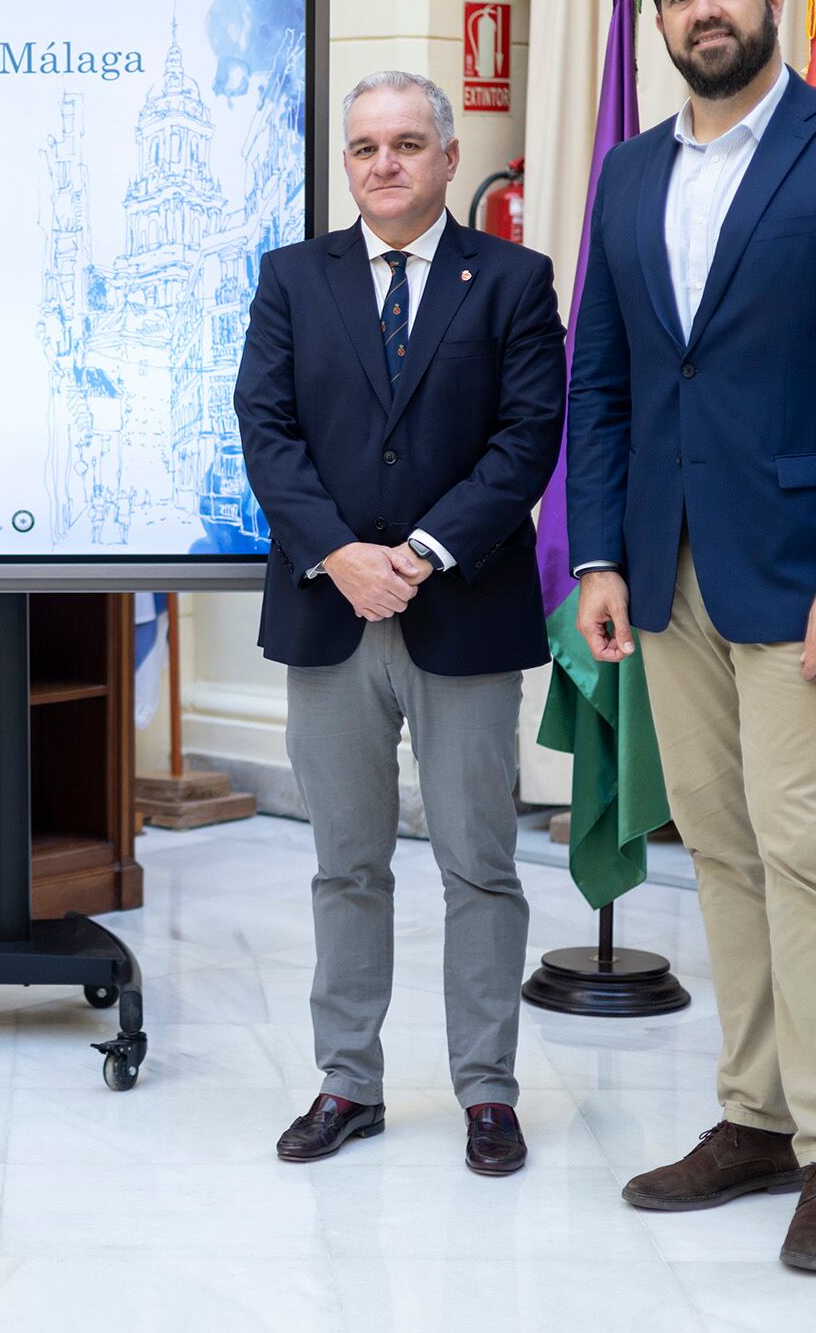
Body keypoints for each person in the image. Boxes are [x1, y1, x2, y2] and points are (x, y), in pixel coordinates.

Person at [564, 0, 816, 1272]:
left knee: (807, 852)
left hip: (803, 576)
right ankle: (756, 1114)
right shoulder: (622, 174)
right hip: (661, 566)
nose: (701, 9)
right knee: (720, 851)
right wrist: (596, 554)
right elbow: (600, 380)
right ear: (658, 20)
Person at [236, 71, 564, 1176]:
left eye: (407, 143)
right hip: (329, 611)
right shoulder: (291, 279)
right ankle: (347, 1083)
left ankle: (485, 1092)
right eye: (366, 146)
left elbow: (526, 439)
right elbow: (265, 431)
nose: (385, 162)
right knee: (345, 864)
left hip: (460, 610)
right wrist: (339, 554)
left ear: (447, 158)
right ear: (347, 162)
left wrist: (418, 554)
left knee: (478, 863)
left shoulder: (513, 280)